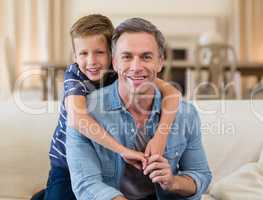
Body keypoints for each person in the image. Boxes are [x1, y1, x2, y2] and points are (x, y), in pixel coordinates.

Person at [32, 14, 181, 200]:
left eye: (99, 52)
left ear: (112, 54)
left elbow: (173, 94)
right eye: (83, 53)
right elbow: (78, 120)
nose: (92, 61)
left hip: (102, 163)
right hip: (67, 165)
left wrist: (160, 136)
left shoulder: (120, 72)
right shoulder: (75, 76)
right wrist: (123, 150)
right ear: (75, 56)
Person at [66, 17, 212, 200]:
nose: (136, 67)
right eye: (127, 57)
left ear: (160, 62)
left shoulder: (185, 113)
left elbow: (201, 175)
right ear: (115, 62)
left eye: (146, 57)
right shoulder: (85, 112)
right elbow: (86, 184)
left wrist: (173, 182)